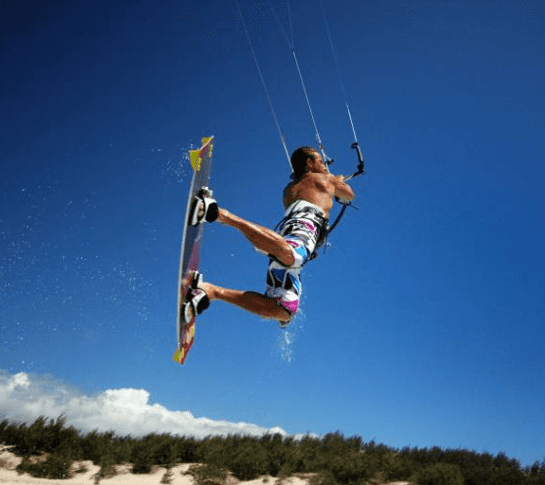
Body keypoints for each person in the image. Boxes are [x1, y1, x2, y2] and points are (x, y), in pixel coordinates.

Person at [184, 146, 355, 327]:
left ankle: (212, 291)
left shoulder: (289, 189)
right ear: (309, 162)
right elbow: (349, 195)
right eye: (321, 162)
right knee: (292, 255)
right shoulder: (326, 179)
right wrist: (338, 180)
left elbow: (310, 189)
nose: (325, 167)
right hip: (305, 229)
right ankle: (218, 213)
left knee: (285, 311)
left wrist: (331, 183)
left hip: (289, 233)